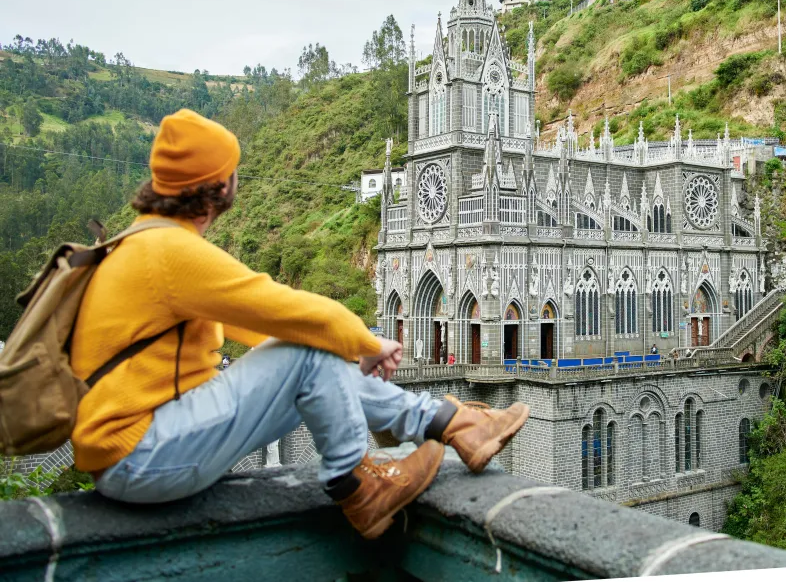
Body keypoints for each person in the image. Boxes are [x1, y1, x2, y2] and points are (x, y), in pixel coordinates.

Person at [70, 109, 529, 540]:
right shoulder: (167, 253)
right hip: (144, 455)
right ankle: (359, 488)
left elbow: (258, 324)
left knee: (313, 354)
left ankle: (456, 425)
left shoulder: (140, 242)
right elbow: (289, 311)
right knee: (309, 347)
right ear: (217, 185)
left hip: (144, 452)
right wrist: (365, 342)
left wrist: (347, 350)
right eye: (233, 170)